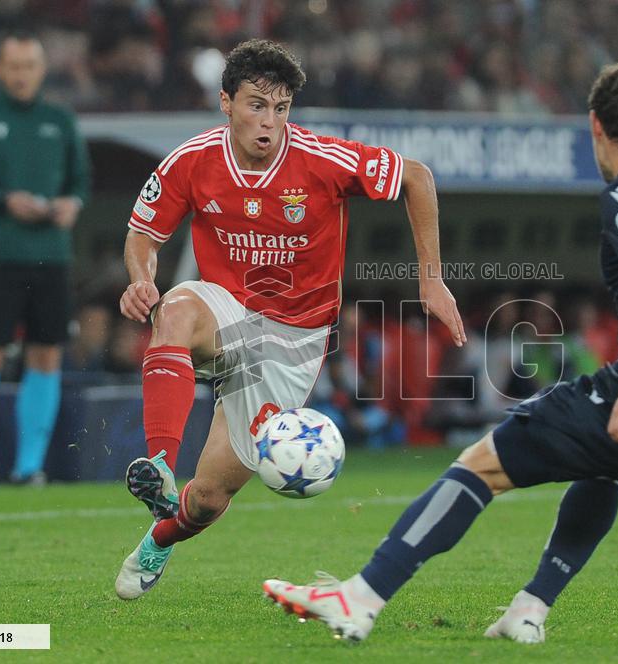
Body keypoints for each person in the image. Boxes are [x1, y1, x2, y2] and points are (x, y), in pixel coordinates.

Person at [262, 57, 618, 643]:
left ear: (595, 126)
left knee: (480, 464)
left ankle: (360, 596)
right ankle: (528, 610)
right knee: (603, 463)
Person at [113, 39, 465, 599]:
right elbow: (143, 236)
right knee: (174, 308)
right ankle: (157, 463)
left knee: (208, 499)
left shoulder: (322, 160)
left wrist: (430, 277)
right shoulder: (190, 161)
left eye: (280, 109)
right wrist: (140, 277)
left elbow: (416, 177)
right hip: (225, 308)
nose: (269, 122)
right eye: (256, 105)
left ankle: (161, 535)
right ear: (226, 103)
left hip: (294, 340)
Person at [0, 30, 90, 487]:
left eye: (30, 66)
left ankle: (30, 467)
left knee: (46, 354)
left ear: (42, 70)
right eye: (15, 66)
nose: (23, 75)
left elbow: (81, 182)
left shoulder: (61, 122)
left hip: (51, 256)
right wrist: (4, 200)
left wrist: (72, 205)